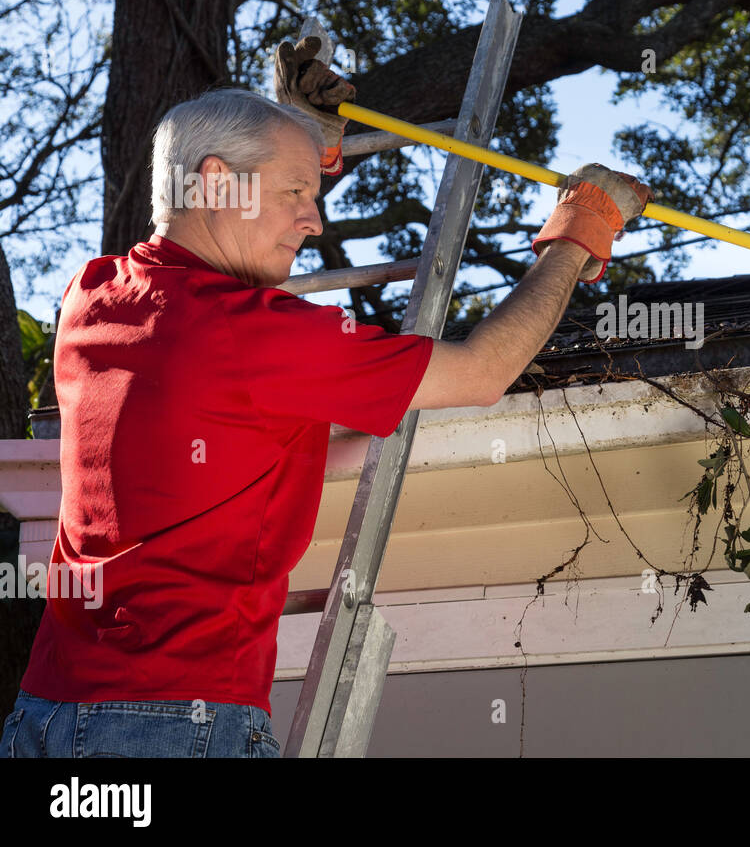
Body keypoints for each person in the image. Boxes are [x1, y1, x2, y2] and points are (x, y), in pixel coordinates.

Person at [0, 39, 652, 757]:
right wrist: (582, 227)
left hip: (48, 717)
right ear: (217, 183)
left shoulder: (91, 295)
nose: (315, 221)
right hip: (173, 725)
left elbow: (202, 295)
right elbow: (480, 372)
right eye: (296, 195)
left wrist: (304, 143)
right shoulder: (257, 337)